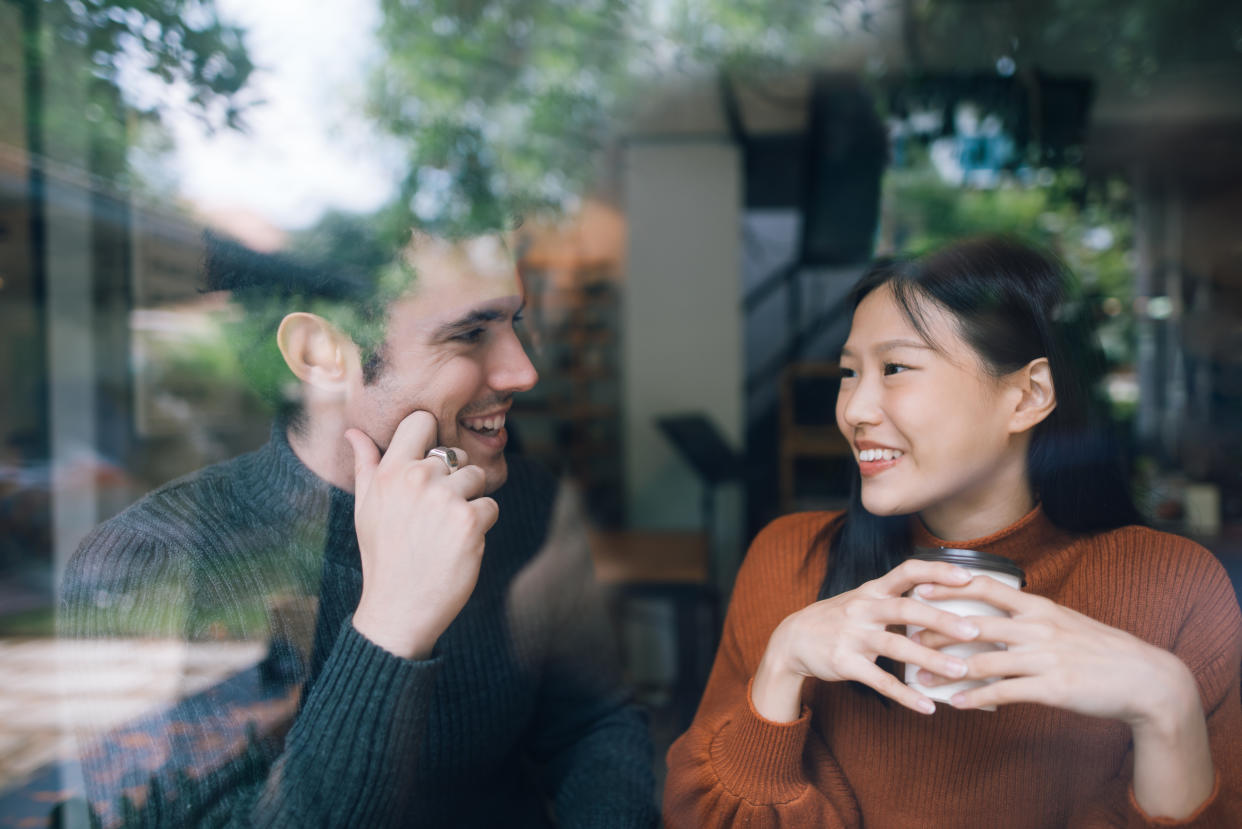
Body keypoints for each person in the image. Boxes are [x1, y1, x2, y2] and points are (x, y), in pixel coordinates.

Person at [59, 228, 656, 827]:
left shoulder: (525, 504)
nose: (523, 371)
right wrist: (391, 625)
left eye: (513, 323)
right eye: (471, 333)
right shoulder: (145, 564)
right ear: (321, 352)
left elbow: (595, 721)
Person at [663, 237, 1242, 827]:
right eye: (847, 372)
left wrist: (1167, 705)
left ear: (1028, 396)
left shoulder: (1174, 588)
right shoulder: (790, 560)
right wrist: (780, 667)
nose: (856, 409)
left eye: (895, 368)